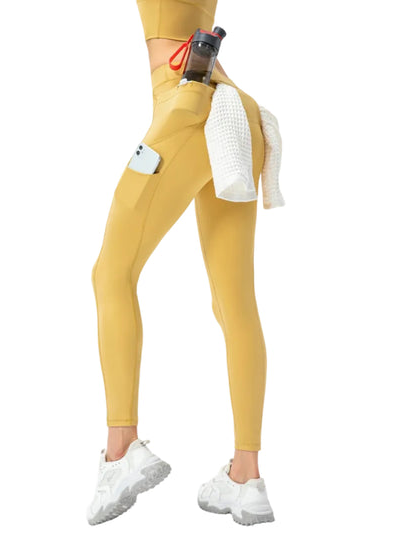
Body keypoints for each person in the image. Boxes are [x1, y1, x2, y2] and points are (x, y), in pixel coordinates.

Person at [87, 0, 275, 526]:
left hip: (187, 105)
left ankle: (120, 450)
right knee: (234, 303)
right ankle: (246, 478)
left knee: (111, 273)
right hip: (236, 110)